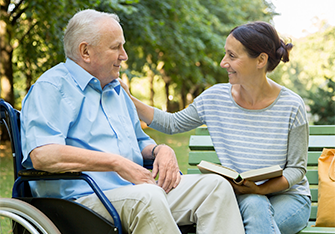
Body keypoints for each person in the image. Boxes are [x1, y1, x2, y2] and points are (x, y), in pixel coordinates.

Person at [20, 9, 245, 234]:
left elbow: (139, 141)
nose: (124, 55)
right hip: (79, 201)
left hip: (135, 191)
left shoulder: (117, 90)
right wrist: (115, 163)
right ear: (85, 51)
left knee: (215, 187)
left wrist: (160, 150)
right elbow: (42, 155)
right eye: (115, 47)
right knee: (149, 198)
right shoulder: (51, 88)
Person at [121, 21, 311, 234]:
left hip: (289, 199)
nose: (223, 63)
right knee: (254, 204)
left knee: (253, 207)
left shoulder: (292, 105)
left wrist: (260, 189)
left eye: (232, 56)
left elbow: (296, 169)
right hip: (243, 197)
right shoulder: (215, 98)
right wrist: (129, 100)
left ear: (261, 60)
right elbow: (172, 123)